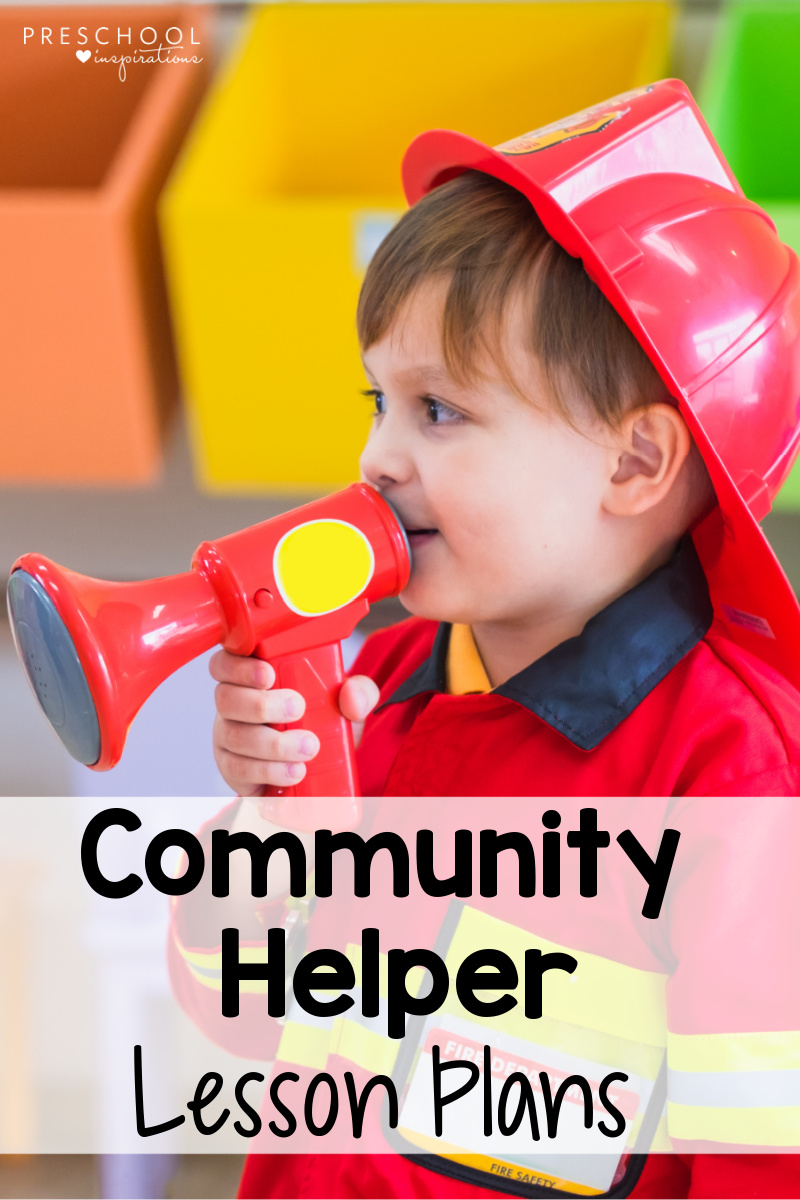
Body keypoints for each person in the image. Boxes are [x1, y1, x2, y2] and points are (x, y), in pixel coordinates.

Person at [170, 81, 800, 1198]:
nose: (375, 458)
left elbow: (761, 1158)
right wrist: (260, 845)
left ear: (632, 465)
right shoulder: (379, 679)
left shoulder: (728, 781)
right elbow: (246, 1022)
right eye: (377, 401)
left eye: (440, 411)